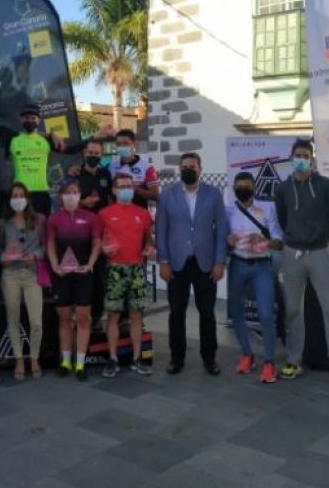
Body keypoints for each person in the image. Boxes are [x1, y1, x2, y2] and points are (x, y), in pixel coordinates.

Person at [274, 138, 329, 386]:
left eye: (306, 156)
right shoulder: (283, 189)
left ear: (312, 158)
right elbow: (283, 218)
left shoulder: (327, 186)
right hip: (292, 254)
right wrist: (296, 240)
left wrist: (320, 241)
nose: (302, 159)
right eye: (297, 155)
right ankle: (293, 360)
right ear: (291, 158)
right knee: (293, 311)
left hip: (320, 253)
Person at [155, 152, 227, 376]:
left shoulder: (214, 194)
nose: (188, 169)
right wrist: (164, 261)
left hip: (205, 263)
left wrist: (219, 261)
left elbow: (222, 229)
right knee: (176, 312)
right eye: (184, 166)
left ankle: (209, 358)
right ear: (179, 169)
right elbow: (161, 231)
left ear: (200, 168)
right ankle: (177, 358)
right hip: (177, 263)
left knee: (207, 312)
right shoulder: (167, 195)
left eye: (192, 166)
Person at [225, 172, 284, 383]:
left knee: (266, 314)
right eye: (239, 186)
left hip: (261, 266)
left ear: (254, 187)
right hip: (238, 265)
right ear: (233, 188)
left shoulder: (267, 208)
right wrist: (227, 240)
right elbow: (222, 239)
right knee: (236, 312)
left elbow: (279, 240)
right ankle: (247, 355)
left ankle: (269, 362)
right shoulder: (228, 210)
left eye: (247, 186)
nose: (243, 190)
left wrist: (264, 239)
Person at [99, 173, 156, 378]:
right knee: (113, 316)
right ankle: (112, 359)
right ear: (114, 190)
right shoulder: (104, 214)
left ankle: (136, 358)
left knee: (136, 316)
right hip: (114, 270)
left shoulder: (143, 213)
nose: (126, 189)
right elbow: (98, 241)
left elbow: (149, 238)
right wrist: (104, 249)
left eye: (129, 186)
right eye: (122, 186)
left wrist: (150, 247)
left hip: (136, 269)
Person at [10, 103, 112, 215]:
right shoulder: (11, 140)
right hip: (19, 194)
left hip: (41, 193)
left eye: (33, 118)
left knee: (42, 228)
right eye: (26, 118)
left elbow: (71, 149)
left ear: (39, 121)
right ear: (21, 120)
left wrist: (95, 136)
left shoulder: (47, 140)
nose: (30, 121)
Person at [47, 178, 102, 381]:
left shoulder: (90, 217)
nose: (72, 195)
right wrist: (54, 266)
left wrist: (90, 264)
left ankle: (80, 363)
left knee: (83, 320)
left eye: (75, 191)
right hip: (62, 275)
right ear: (61, 195)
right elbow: (51, 245)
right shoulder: (54, 219)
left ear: (80, 195)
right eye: (68, 192)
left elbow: (97, 243)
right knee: (64, 320)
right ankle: (65, 361)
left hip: (83, 276)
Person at [0, 182, 46, 380]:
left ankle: (34, 357)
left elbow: (46, 246)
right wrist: (4, 258)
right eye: (14, 195)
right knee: (13, 319)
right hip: (10, 275)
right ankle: (19, 359)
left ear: (27, 199)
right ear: (10, 200)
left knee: (36, 321)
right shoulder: (3, 223)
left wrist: (35, 254)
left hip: (32, 274)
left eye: (21, 195)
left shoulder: (39, 220)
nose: (18, 199)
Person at [77, 140, 113, 331]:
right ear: (84, 153)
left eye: (97, 153)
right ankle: (80, 316)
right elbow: (66, 200)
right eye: (90, 152)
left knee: (100, 278)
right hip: (80, 231)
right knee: (81, 275)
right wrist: (83, 203)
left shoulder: (105, 174)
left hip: (100, 233)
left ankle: (97, 317)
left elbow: (110, 199)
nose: (94, 156)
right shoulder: (75, 174)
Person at [107, 129, 160, 209]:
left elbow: (155, 196)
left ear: (134, 144)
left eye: (125, 143)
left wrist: (134, 188)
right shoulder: (110, 166)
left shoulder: (147, 167)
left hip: (139, 215)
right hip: (116, 215)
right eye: (118, 144)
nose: (122, 146)